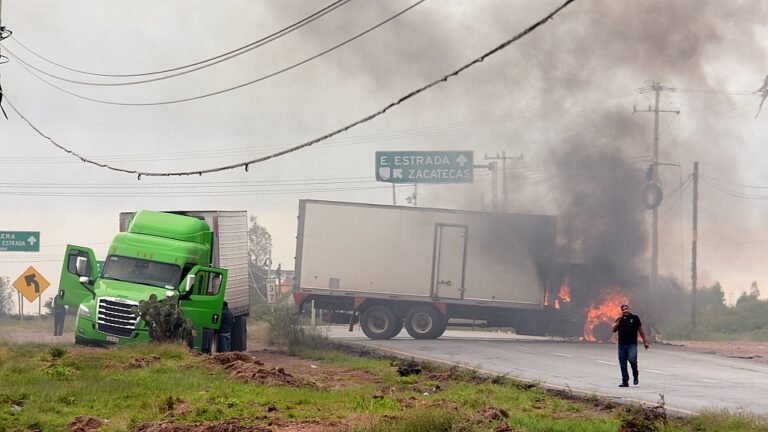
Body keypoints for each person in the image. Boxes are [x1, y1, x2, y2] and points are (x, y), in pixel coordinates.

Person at [612, 303, 649, 387]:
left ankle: (635, 374)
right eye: (623, 309)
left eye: (626, 309)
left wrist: (645, 342)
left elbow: (641, 330)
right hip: (621, 345)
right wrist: (619, 321)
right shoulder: (620, 319)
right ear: (621, 311)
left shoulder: (635, 318)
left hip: (632, 345)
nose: (625, 310)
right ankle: (625, 381)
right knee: (623, 363)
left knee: (632, 360)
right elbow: (613, 329)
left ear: (629, 309)